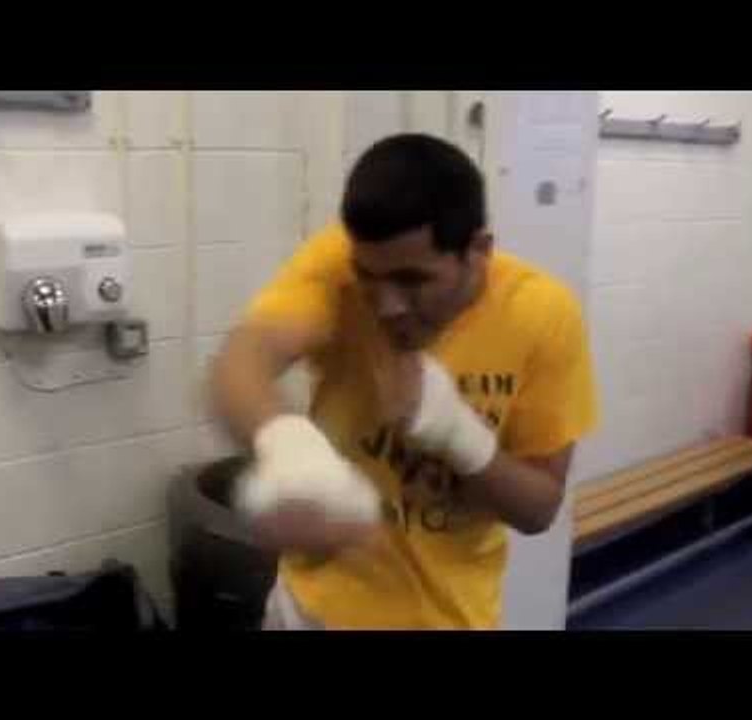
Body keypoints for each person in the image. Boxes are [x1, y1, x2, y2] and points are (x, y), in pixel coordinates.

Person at [209, 133, 598, 630]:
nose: (388, 306)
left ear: (478, 250)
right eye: (368, 279)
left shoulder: (542, 314)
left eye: (413, 281)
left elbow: (538, 508)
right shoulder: (339, 259)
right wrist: (292, 450)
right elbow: (242, 361)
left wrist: (459, 435)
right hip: (310, 611)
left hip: (448, 617)